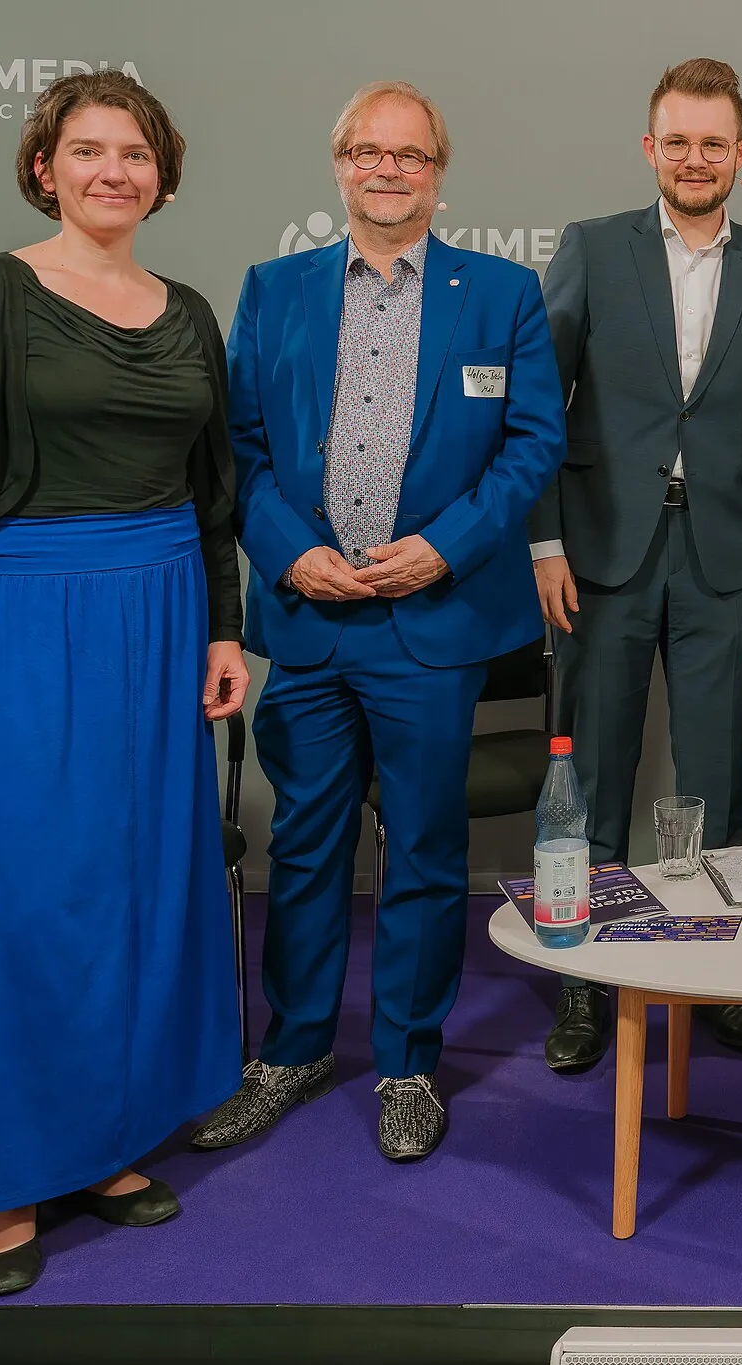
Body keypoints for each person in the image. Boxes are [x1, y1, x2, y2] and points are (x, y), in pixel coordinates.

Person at [0, 71, 247, 1295]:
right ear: (45, 167)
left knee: (135, 890)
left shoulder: (188, 311)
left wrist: (222, 630)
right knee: (18, 900)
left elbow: (212, 497)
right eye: (86, 151)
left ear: (163, 174)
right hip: (16, 623)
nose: (112, 172)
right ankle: (13, 1173)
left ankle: (106, 1144)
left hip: (157, 618)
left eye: (134, 153)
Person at [191, 81, 566, 1162]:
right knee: (301, 846)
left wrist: (446, 545)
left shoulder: (500, 294)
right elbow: (242, 452)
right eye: (367, 151)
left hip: (432, 620)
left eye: (408, 154)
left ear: (438, 172)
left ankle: (406, 1061)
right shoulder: (275, 290)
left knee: (423, 851)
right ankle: (295, 1050)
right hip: (311, 618)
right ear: (340, 166)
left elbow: (532, 443)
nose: (387, 169)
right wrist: (291, 554)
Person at [532, 58, 742, 1072]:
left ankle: (713, 979)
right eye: (677, 141)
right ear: (649, 147)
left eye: (713, 143)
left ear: (740, 154)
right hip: (600, 557)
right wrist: (545, 540)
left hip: (728, 564)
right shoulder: (591, 249)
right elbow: (539, 402)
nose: (694, 159)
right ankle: (581, 984)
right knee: (593, 784)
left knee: (713, 784)